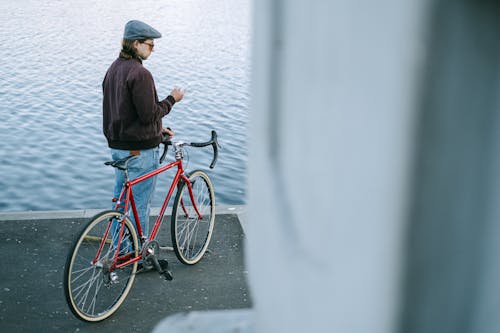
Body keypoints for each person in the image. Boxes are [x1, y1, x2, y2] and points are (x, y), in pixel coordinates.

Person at [102, 20, 184, 240]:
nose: (153, 49)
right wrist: (172, 99)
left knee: (121, 202)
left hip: (118, 148)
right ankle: (136, 254)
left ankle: (118, 249)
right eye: (150, 44)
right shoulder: (140, 74)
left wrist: (158, 130)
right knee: (139, 205)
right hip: (140, 152)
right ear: (136, 44)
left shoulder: (113, 69)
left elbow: (125, 112)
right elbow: (149, 114)